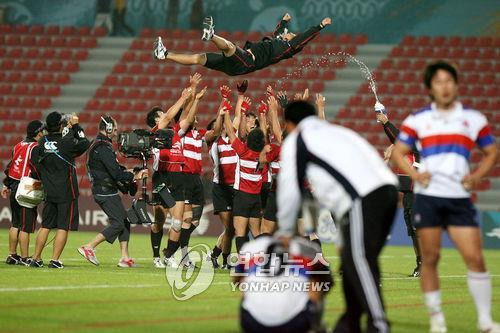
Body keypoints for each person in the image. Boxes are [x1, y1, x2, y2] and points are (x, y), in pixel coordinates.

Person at [391, 60, 499, 333]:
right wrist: (415, 176)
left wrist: (476, 177)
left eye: (449, 80)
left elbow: (492, 152)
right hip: (428, 198)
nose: (445, 86)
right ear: (430, 88)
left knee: (475, 258)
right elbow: (397, 152)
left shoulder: (474, 119)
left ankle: (485, 321)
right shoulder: (417, 120)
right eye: (438, 81)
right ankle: (436, 321)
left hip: (459, 199)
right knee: (431, 259)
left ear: (457, 84)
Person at [276, 100, 398, 333]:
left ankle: (379, 325)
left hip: (363, 198)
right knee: (355, 262)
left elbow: (291, 189)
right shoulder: (337, 131)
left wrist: (284, 230)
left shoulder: (297, 139)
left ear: (289, 124)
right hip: (388, 191)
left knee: (358, 260)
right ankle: (349, 325)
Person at [153, 13, 332, 76]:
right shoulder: (277, 41)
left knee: (230, 47)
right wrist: (284, 22)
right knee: (200, 58)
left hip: (247, 62)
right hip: (239, 64)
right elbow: (277, 32)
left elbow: (304, 37)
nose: (291, 34)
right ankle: (164, 54)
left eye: (292, 34)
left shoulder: (288, 47)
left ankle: (211, 35)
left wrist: (321, 26)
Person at [78, 116, 148, 267]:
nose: (116, 133)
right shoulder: (103, 147)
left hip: (105, 190)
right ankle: (89, 247)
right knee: (118, 223)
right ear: (108, 129)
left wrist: (130, 173)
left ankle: (124, 257)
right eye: (114, 129)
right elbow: (116, 174)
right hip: (105, 191)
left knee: (124, 220)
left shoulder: (100, 145)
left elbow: (113, 171)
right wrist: (135, 175)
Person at [29, 112, 90, 268]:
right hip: (66, 191)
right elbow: (84, 143)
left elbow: (35, 162)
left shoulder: (42, 141)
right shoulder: (66, 142)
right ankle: (55, 260)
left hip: (49, 190)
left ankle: (36, 259)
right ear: (61, 125)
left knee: (45, 226)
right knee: (63, 226)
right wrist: (75, 126)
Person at [235, 236, 332, 333]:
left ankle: (254, 309)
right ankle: (316, 326)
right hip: (296, 322)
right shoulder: (307, 248)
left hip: (252, 322)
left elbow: (237, 281)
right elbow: (327, 282)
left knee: (245, 282)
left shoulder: (250, 247)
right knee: (317, 282)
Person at [376, 111, 422, 277]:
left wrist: (386, 122)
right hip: (411, 191)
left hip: (419, 191)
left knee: (417, 229)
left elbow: (399, 140)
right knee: (412, 228)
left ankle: (425, 264)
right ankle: (421, 263)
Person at [207, 82, 246, 269]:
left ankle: (218, 256)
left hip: (235, 187)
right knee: (229, 227)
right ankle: (222, 258)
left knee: (232, 228)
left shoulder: (234, 138)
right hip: (221, 188)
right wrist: (223, 101)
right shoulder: (213, 141)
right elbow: (220, 123)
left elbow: (237, 116)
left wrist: (240, 95)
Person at [222, 103, 266, 253]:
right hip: (256, 198)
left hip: (242, 196)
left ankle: (244, 263)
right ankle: (265, 261)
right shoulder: (263, 155)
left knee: (240, 233)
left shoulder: (243, 151)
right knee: (257, 232)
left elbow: (229, 131)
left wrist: (227, 112)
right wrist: (263, 115)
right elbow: (264, 134)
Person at [2, 120, 45, 266]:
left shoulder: (18, 145)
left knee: (15, 224)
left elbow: (11, 166)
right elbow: (35, 168)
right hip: (26, 188)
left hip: (14, 185)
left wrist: (5, 184)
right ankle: (25, 258)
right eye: (42, 131)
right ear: (38, 132)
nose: (44, 133)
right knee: (26, 226)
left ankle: (12, 255)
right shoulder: (35, 147)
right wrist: (42, 181)